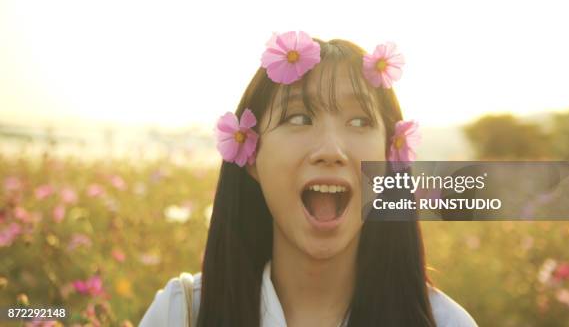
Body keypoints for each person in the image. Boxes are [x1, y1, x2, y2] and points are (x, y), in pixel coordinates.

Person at [140, 32, 478, 326]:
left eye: (360, 122)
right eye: (300, 117)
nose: (331, 150)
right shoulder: (181, 314)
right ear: (251, 155)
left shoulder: (445, 323)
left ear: (391, 159)